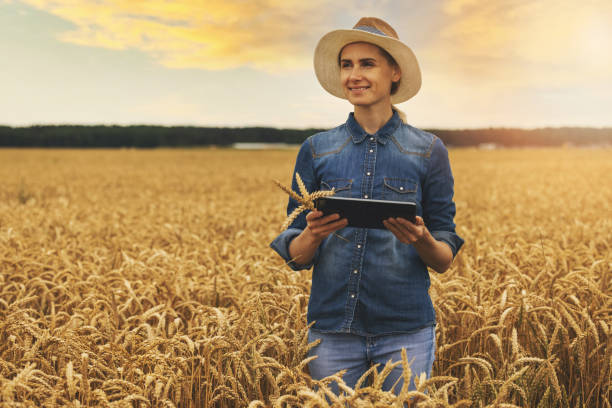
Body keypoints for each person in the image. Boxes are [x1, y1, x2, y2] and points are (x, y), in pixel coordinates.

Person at [269, 17, 464, 395]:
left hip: (405, 332)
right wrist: (312, 233)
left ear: (394, 72)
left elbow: (443, 258)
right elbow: (294, 256)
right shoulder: (316, 150)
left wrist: (421, 238)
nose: (354, 75)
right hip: (331, 331)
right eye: (347, 64)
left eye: (367, 63)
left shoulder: (428, 151)